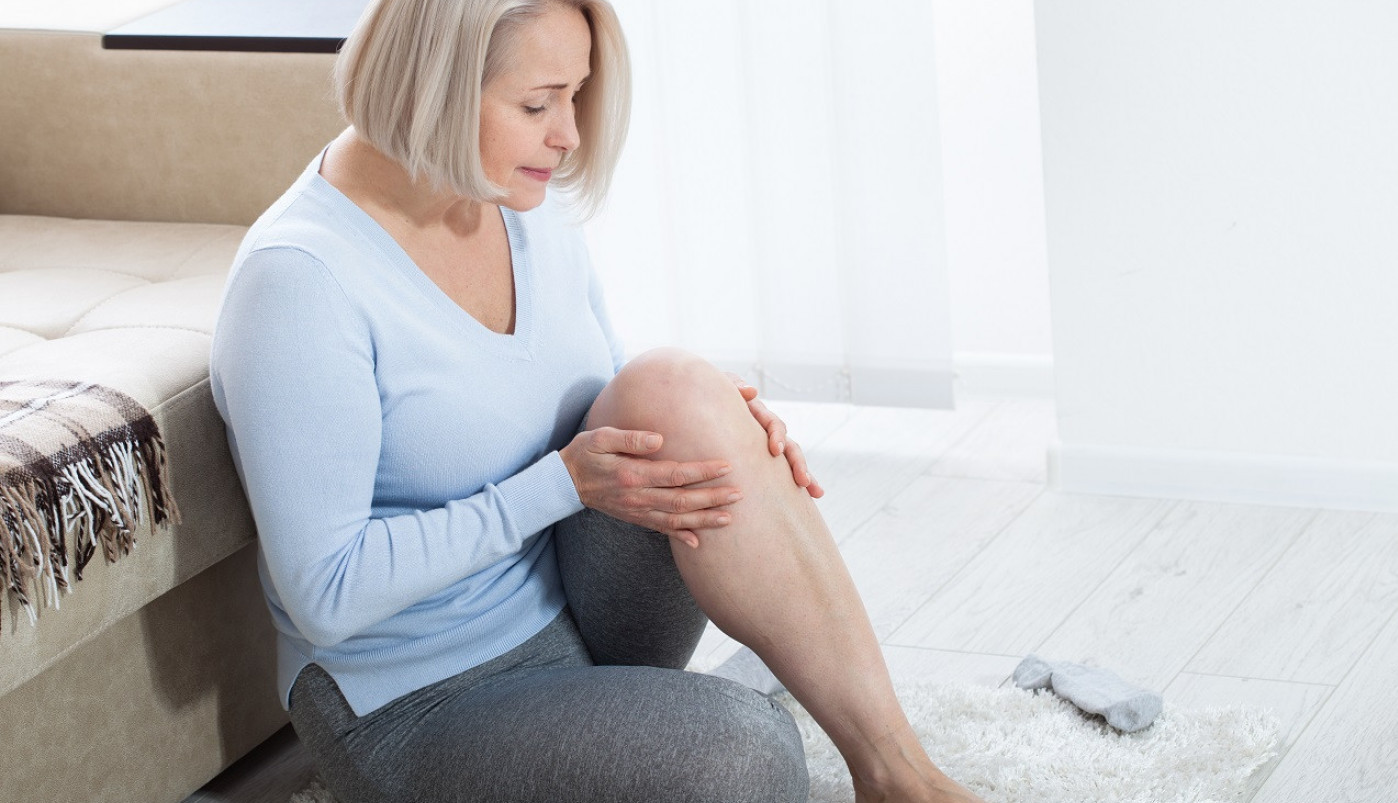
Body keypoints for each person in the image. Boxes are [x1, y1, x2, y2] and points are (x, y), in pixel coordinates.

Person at [210, 0, 984, 800]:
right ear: (430, 88)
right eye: (538, 103)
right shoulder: (302, 282)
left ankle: (897, 771)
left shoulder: (517, 206)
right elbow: (325, 594)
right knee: (749, 754)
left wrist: (722, 427)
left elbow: (616, 398)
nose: (569, 134)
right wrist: (558, 486)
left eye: (574, 96)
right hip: (415, 703)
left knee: (680, 392)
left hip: (570, 614)